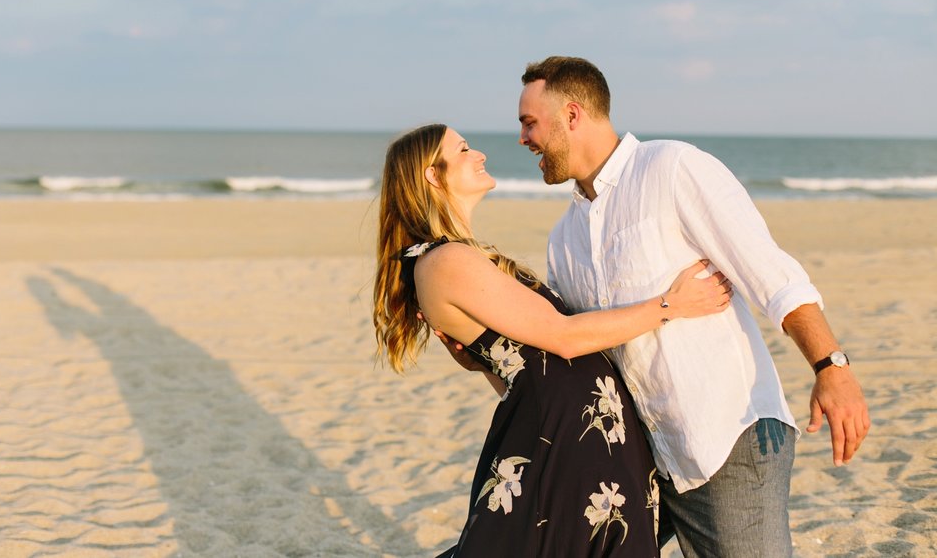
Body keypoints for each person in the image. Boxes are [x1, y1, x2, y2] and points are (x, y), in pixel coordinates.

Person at [511, 55, 871, 557]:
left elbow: (768, 271)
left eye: (530, 123)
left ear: (572, 115)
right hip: (651, 461)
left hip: (728, 438)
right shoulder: (563, 239)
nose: (523, 139)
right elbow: (580, 349)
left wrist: (831, 366)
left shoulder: (672, 169)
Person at [372, 123, 734, 557]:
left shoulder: (457, 255)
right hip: (566, 439)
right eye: (464, 149)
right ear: (433, 175)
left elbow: (525, 368)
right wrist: (671, 305)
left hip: (577, 430)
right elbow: (562, 338)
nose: (480, 155)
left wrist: (483, 362)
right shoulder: (445, 260)